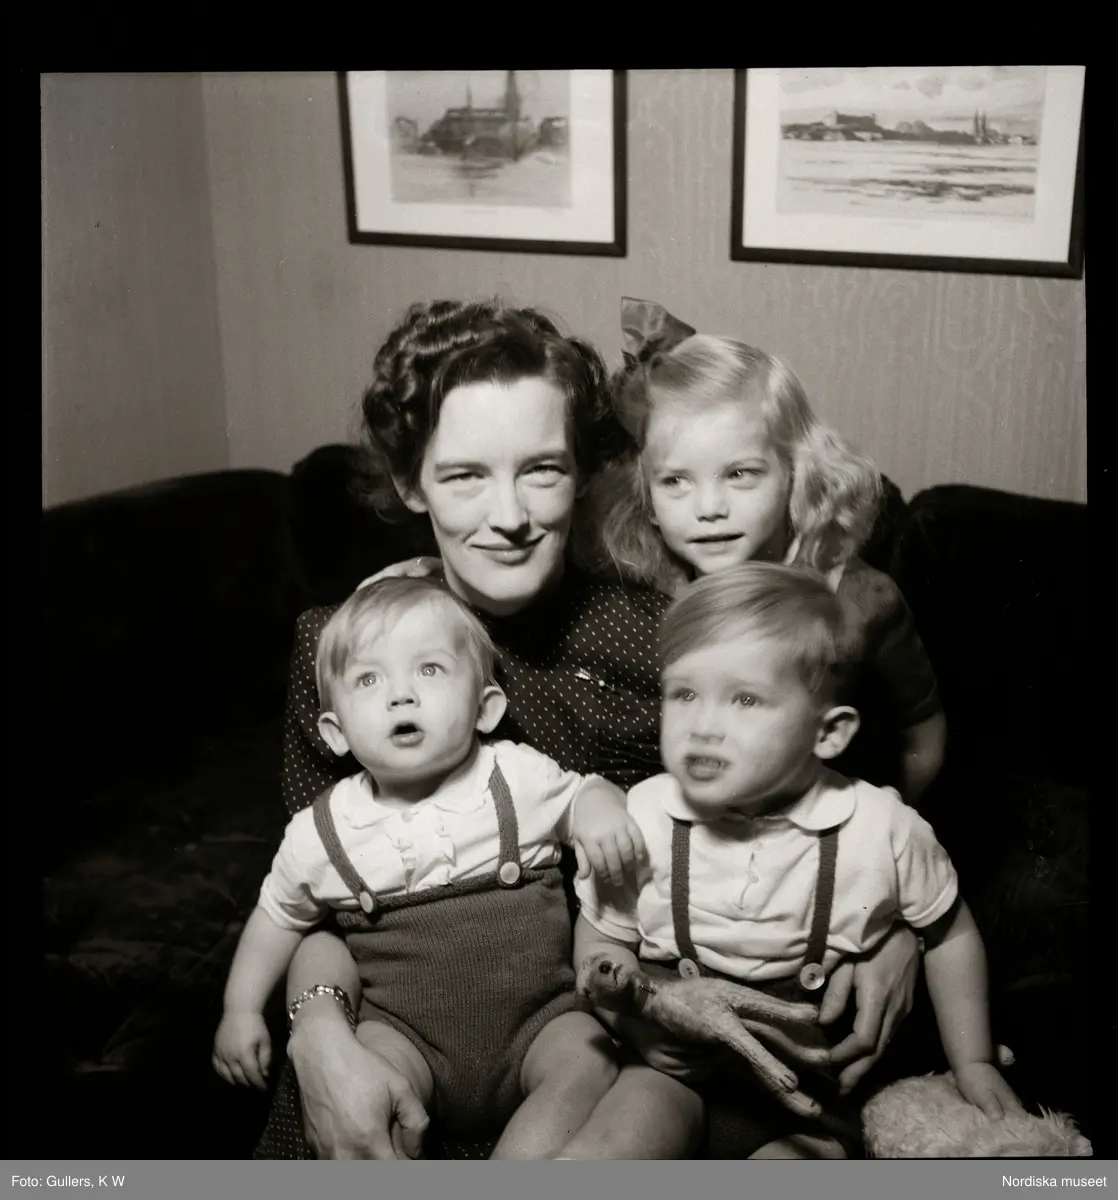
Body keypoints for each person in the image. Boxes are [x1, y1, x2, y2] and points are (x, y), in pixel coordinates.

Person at [256, 298, 922, 1160]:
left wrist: (898, 929)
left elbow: (832, 796)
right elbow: (313, 892)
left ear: (584, 474)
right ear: (412, 484)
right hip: (392, 1025)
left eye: (542, 469)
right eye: (464, 477)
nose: (508, 515)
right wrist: (318, 1040)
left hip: (602, 1049)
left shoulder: (660, 632)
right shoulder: (344, 649)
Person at [572, 563, 1022, 1159]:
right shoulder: (644, 814)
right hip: (674, 1068)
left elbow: (950, 935)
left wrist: (974, 1060)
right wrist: (630, 1022)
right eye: (684, 693)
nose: (702, 726)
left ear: (828, 733)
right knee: (605, 1149)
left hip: (812, 1093)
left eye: (745, 699)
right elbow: (603, 937)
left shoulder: (881, 828)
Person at [215, 576, 647, 1158]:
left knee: (588, 1061)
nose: (401, 695)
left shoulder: (515, 776)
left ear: (485, 708)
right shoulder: (322, 829)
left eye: (430, 669)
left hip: (540, 1022)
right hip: (404, 1038)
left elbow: (584, 792)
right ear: (335, 732)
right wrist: (241, 1010)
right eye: (369, 679)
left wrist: (600, 809)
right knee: (366, 1096)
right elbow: (277, 918)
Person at [584, 298, 946, 802]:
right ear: (646, 499)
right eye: (676, 482)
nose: (709, 508)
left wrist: (880, 821)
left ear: (797, 474)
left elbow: (922, 734)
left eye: (739, 474)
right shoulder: (653, 594)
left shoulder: (860, 600)